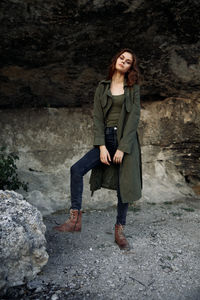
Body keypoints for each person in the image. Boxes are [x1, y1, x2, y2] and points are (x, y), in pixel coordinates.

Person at [54, 48, 142, 250]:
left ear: (131, 67)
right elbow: (97, 118)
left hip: (124, 141)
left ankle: (119, 229)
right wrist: (102, 146)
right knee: (76, 169)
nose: (123, 62)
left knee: (124, 186)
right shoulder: (102, 87)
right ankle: (75, 219)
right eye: (121, 58)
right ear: (116, 60)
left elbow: (133, 120)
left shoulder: (133, 89)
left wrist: (122, 148)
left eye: (128, 61)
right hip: (106, 139)